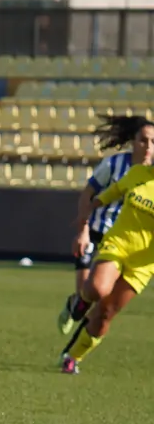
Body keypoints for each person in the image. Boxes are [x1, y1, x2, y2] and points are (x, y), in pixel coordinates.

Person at [58, 115, 154, 341]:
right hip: (97, 231)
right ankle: (74, 303)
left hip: (124, 238)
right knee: (88, 294)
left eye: (153, 142)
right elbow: (88, 194)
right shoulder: (114, 164)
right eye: (143, 140)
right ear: (133, 141)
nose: (149, 147)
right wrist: (83, 230)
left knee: (102, 306)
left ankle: (70, 355)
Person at [59, 159, 154, 374]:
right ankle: (80, 301)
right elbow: (115, 190)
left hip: (143, 264)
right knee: (96, 289)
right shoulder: (138, 173)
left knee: (105, 313)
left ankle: (72, 357)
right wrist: (92, 207)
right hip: (118, 245)